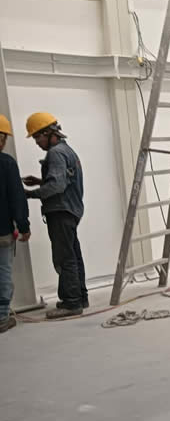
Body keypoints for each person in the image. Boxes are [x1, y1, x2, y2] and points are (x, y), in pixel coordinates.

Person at [22, 113, 88, 319]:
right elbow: (62, 181)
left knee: (64, 257)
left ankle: (71, 303)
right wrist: (41, 182)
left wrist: (30, 194)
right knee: (74, 255)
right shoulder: (67, 150)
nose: (37, 143)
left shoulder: (56, 154)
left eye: (37, 138)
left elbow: (58, 186)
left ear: (48, 133)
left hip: (60, 211)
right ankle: (80, 297)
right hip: (71, 210)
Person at [0, 115, 31, 333]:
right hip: (2, 231)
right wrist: (24, 226)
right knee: (3, 272)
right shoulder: (6, 163)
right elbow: (16, 199)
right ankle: (2, 316)